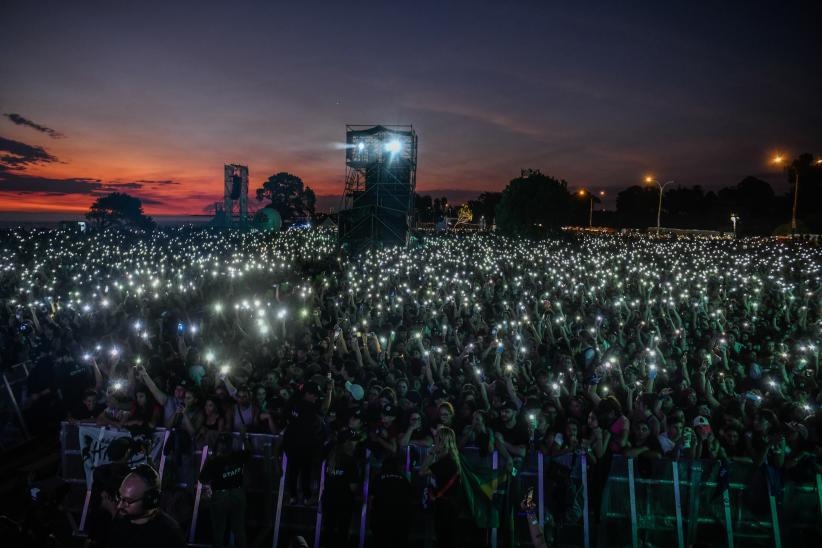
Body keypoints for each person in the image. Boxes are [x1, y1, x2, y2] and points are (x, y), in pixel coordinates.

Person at [107, 464, 185, 548]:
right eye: (119, 496)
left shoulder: (168, 534)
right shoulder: (120, 523)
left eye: (128, 501)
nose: (119, 505)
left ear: (150, 500)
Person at [200, 433, 251, 548]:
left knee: (218, 532)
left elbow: (202, 479)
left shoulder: (214, 462)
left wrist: (207, 460)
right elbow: (249, 453)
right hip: (238, 493)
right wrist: (245, 438)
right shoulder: (238, 455)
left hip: (220, 497)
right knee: (239, 530)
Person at [419, 426, 461, 548]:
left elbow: (422, 471)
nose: (434, 442)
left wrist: (431, 453)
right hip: (449, 504)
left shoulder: (446, 462)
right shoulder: (451, 460)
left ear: (443, 442)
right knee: (446, 537)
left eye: (437, 439)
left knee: (445, 537)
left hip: (446, 506)